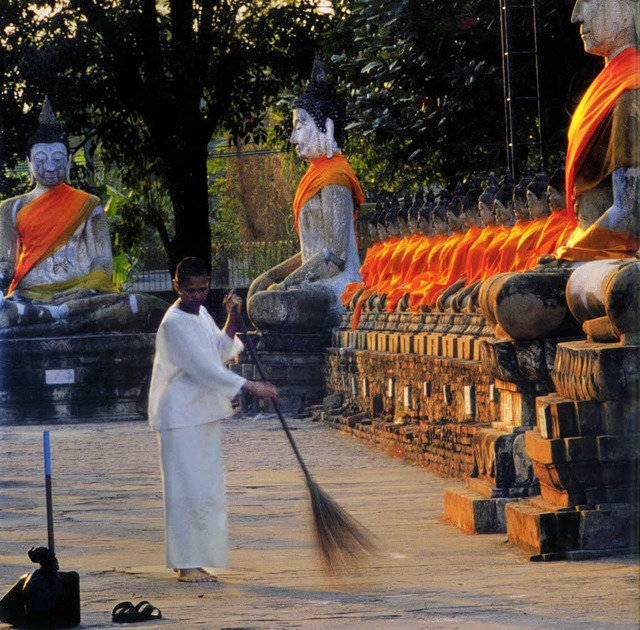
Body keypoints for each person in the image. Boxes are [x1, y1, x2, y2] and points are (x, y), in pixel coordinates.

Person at [147, 257, 279, 583]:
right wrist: (251, 387)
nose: (197, 295)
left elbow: (218, 351)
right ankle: (186, 562)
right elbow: (203, 368)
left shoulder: (201, 313)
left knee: (205, 488)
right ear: (176, 286)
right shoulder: (173, 324)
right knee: (184, 489)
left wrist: (233, 317)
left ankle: (194, 558)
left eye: (203, 288)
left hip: (200, 411)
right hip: (179, 415)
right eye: (190, 290)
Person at [0, 97, 159, 336]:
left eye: (58, 159)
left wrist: (87, 289)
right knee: (5, 311)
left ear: (69, 162)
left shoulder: (89, 205)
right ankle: (58, 318)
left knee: (136, 305)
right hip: (29, 296)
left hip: (80, 296)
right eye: (41, 160)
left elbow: (102, 262)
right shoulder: (10, 207)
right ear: (29, 162)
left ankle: (53, 317)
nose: (50, 167)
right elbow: (6, 263)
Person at [247, 57, 364, 335]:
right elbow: (311, 252)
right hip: (312, 283)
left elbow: (335, 255)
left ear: (327, 127)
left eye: (299, 127)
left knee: (272, 305)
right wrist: (271, 275)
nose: (293, 137)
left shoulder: (335, 178)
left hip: (336, 286)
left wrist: (288, 284)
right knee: (261, 298)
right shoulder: (315, 177)